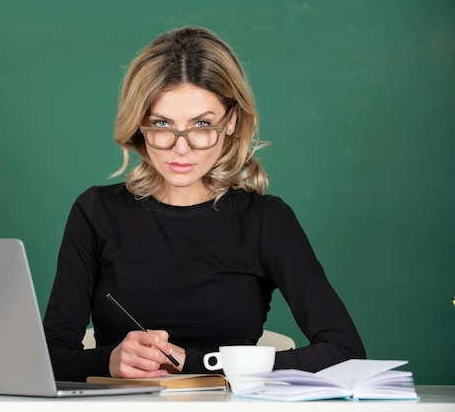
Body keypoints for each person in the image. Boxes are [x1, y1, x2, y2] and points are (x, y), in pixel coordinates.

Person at [43, 26, 366, 382]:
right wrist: (108, 361)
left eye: (201, 124)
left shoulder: (266, 220)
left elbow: (345, 352)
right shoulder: (95, 212)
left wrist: (198, 362)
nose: (181, 148)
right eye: (162, 124)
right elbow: (51, 355)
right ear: (139, 125)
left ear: (231, 122)